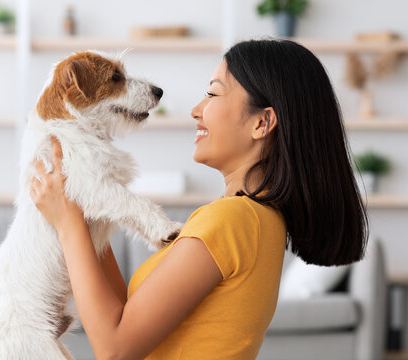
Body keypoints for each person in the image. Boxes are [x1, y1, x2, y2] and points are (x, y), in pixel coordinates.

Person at [30, 38, 369, 360]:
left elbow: (115, 349)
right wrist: (85, 202)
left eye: (212, 94)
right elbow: (125, 317)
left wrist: (68, 224)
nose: (196, 110)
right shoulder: (258, 219)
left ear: (262, 123)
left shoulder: (231, 221)